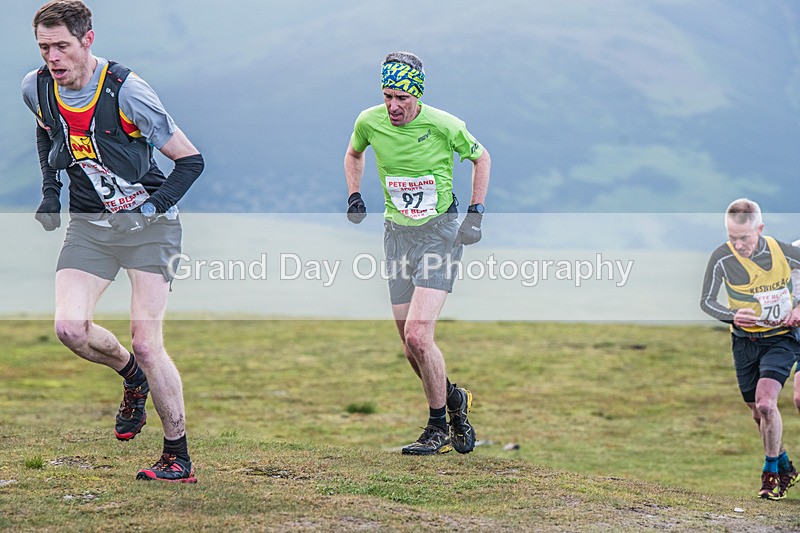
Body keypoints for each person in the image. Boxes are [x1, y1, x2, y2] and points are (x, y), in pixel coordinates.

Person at [22, 0, 204, 482]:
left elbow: (190, 161)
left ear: (87, 39)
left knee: (147, 341)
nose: (53, 58)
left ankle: (177, 456)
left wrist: (151, 208)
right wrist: (50, 192)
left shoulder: (128, 91)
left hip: (149, 230)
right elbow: (47, 133)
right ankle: (132, 379)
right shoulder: (37, 86)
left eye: (61, 46)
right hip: (89, 225)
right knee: (70, 329)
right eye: (44, 48)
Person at [344, 51, 491, 455]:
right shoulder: (368, 120)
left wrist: (475, 215)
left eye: (401, 99)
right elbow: (354, 153)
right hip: (396, 236)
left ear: (417, 97)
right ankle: (454, 399)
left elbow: (482, 158)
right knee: (410, 345)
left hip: (438, 234)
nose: (393, 106)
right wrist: (354, 194)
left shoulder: (445, 124)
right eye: (387, 96)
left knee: (418, 334)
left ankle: (438, 427)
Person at [700, 198, 800, 499]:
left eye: (744, 237)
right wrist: (732, 315)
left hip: (782, 338)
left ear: (760, 228)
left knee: (768, 404)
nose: (738, 244)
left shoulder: (783, 251)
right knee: (758, 414)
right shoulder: (721, 258)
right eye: (732, 237)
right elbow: (706, 301)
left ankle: (770, 476)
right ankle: (786, 466)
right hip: (744, 342)